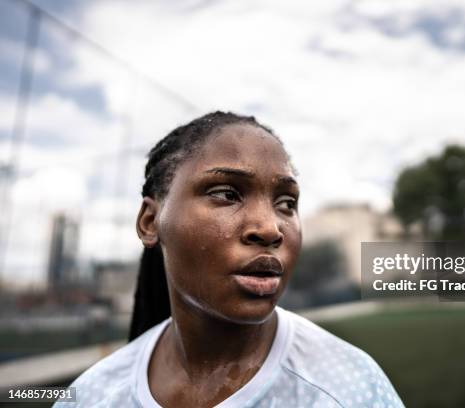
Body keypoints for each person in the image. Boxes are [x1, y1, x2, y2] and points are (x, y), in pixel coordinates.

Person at [54, 111, 404, 407]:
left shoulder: (348, 389)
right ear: (150, 222)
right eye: (226, 193)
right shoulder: (92, 395)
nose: (270, 229)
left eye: (286, 203)